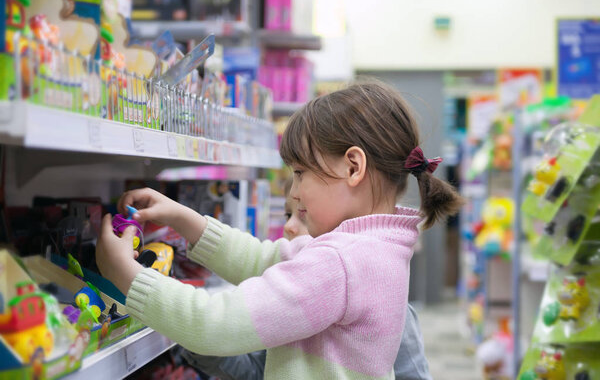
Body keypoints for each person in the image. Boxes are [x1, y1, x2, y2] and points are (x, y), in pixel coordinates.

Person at [96, 81, 462, 379]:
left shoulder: (341, 262)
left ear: (353, 167)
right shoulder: (371, 248)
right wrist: (184, 218)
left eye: (300, 173)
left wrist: (126, 276)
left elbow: (214, 324)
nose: (294, 192)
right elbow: (265, 259)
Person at [182, 180, 431, 380]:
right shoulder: (292, 291)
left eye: (302, 216)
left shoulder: (387, 307)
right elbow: (261, 369)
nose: (289, 227)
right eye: (288, 214)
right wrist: (197, 338)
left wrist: (198, 325)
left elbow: (414, 373)